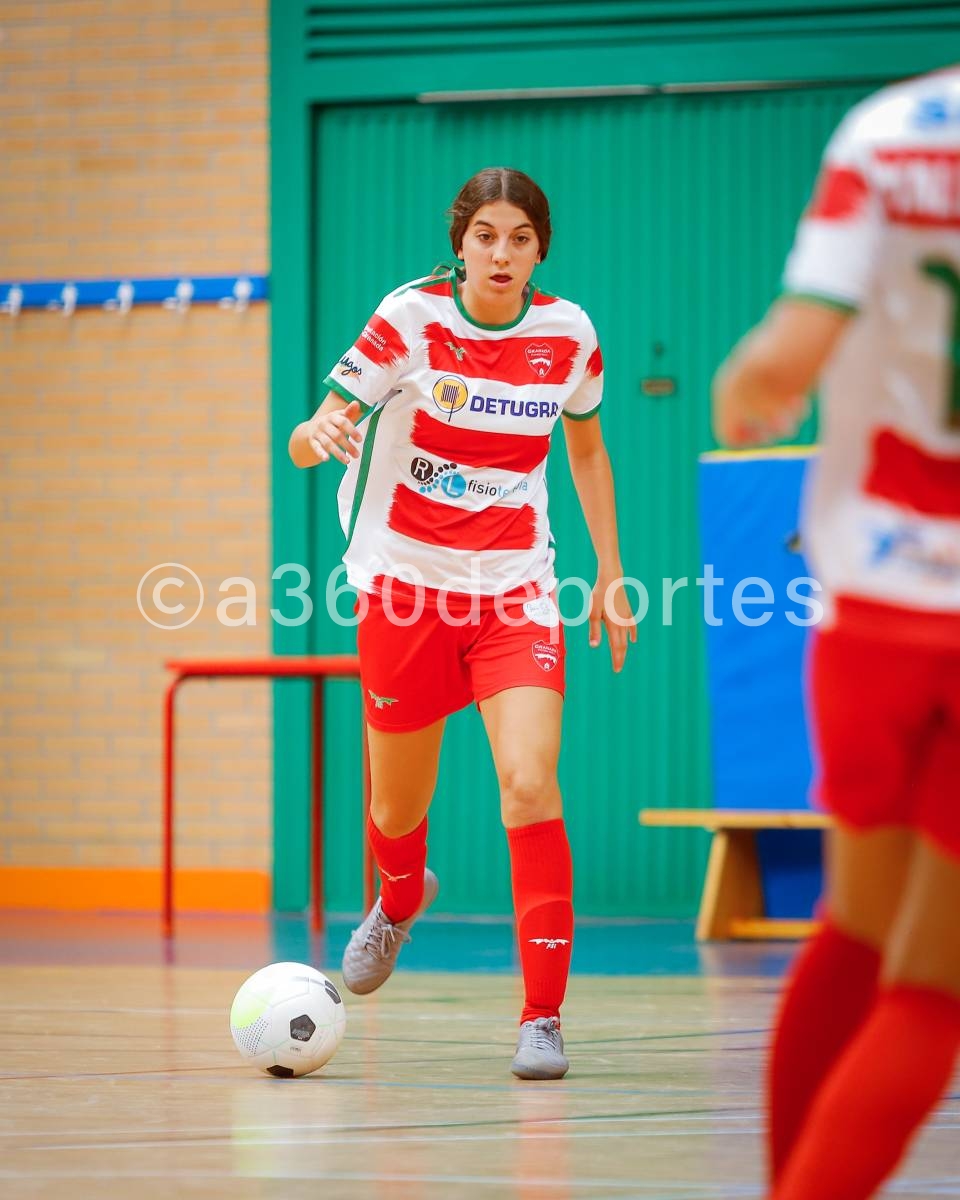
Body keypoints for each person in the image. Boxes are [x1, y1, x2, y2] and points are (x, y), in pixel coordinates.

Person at [289, 167, 636, 1080]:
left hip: (516, 592)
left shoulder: (570, 335)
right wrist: (316, 437)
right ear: (461, 243)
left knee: (529, 783)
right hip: (404, 591)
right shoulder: (409, 318)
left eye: (520, 238)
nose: (501, 254)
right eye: (486, 235)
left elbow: (588, 452)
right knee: (394, 810)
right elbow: (312, 431)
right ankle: (401, 896)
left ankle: (542, 1018)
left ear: (540, 249)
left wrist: (610, 570)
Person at [713, 66, 960, 1198]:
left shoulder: (893, 132)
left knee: (855, 927)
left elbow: (781, 364)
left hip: (877, 601)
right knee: (931, 991)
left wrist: (743, 396)